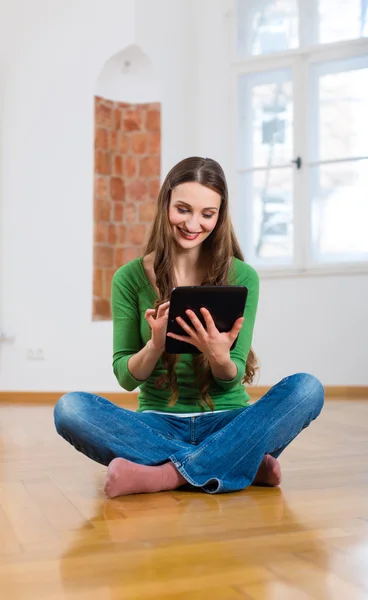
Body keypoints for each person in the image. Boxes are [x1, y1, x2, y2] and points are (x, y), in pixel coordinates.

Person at [54, 156, 324, 499]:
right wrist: (154, 345)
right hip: (156, 424)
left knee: (307, 389)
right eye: (183, 209)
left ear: (219, 216)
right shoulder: (130, 278)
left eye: (207, 214)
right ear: (165, 203)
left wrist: (219, 355)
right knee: (70, 409)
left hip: (229, 421)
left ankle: (168, 475)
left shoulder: (242, 276)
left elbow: (232, 374)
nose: (193, 223)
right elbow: (126, 377)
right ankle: (239, 462)